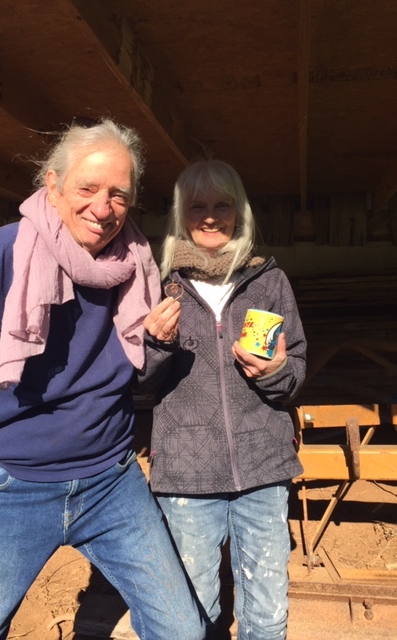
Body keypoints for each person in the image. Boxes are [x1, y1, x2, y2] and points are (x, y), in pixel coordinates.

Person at [0, 119, 208, 640]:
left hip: (111, 481)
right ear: (51, 185)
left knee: (183, 630)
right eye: (88, 188)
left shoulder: (138, 265)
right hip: (14, 485)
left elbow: (139, 381)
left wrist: (160, 346)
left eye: (119, 195)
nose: (104, 208)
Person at [139, 159, 307, 640]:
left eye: (222, 205)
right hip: (187, 474)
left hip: (263, 467)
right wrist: (156, 346)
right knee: (191, 613)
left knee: (268, 613)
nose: (210, 217)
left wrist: (275, 373)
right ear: (180, 214)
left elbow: (295, 372)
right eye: (197, 206)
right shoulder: (160, 284)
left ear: (240, 212)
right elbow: (137, 384)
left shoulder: (269, 281)